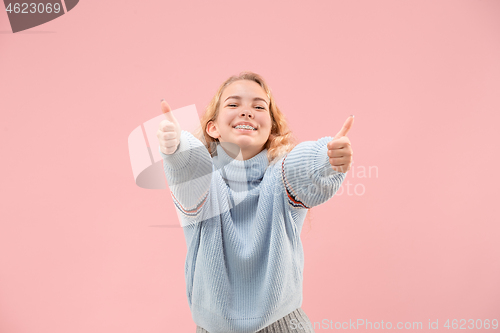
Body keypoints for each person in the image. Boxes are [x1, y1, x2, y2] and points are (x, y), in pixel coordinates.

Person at [157, 71, 354, 333]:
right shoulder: (206, 183)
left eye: (259, 106)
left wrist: (328, 159)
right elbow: (190, 168)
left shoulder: (281, 178)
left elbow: (302, 167)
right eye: (233, 104)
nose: (247, 112)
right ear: (213, 127)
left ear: (272, 129)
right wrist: (176, 147)